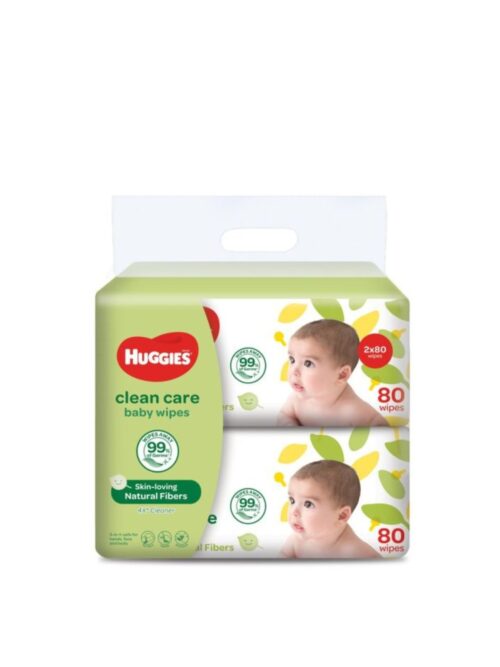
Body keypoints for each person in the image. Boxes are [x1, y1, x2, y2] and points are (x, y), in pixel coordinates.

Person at [277, 319, 388, 427]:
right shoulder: (297, 399)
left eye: (308, 363)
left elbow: (380, 426)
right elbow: (284, 415)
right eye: (292, 360)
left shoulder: (352, 410)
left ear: (342, 375)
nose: (294, 371)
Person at [281, 460, 380, 559]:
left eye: (308, 504)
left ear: (342, 516)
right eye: (292, 500)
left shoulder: (355, 552)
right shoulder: (296, 540)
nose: (294, 512)